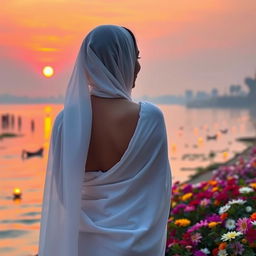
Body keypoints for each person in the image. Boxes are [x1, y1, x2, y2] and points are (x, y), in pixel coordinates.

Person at [38, 25, 171, 256]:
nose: (138, 66)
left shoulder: (65, 122)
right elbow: (158, 193)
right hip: (136, 245)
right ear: (120, 61)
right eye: (134, 56)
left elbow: (62, 194)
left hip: (80, 245)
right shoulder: (149, 118)